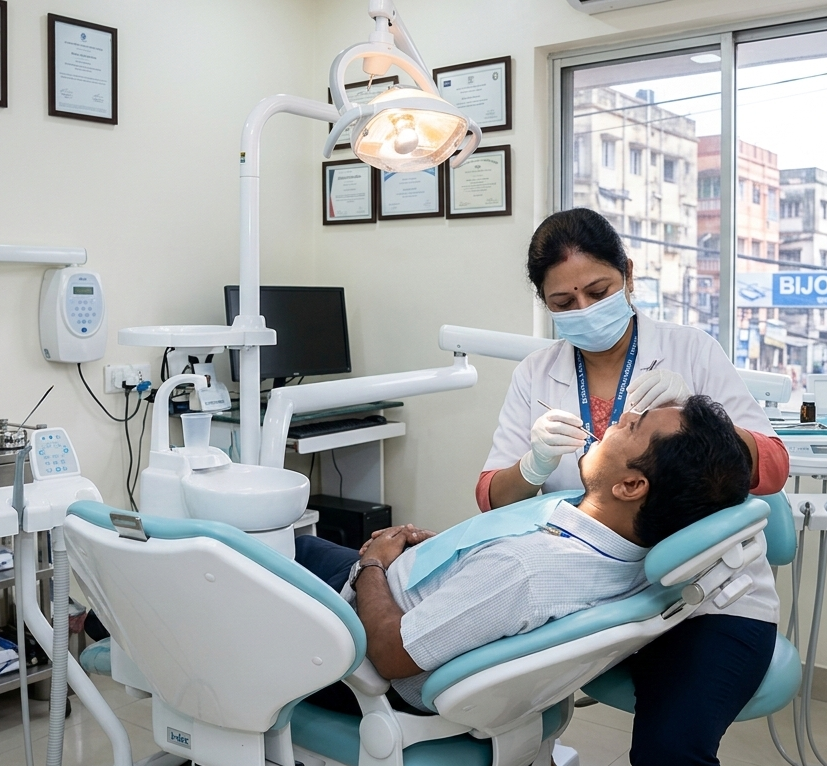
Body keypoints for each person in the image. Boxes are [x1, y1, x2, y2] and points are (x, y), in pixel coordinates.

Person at [476, 208, 790, 765]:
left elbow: (773, 465)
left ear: (627, 273)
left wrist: (703, 421)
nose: (584, 309)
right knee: (489, 701)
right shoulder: (536, 374)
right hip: (587, 593)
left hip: (706, 598)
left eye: (598, 291)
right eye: (563, 302)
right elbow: (490, 498)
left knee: (668, 750)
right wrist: (533, 464)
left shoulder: (691, 350)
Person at [294, 395, 761, 716]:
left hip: (357, 639)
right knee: (289, 544)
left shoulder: (524, 573)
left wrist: (373, 563)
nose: (620, 419)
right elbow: (497, 577)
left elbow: (392, 655)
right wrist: (455, 557)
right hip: (409, 586)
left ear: (631, 485)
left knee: (263, 551)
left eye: (632, 427)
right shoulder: (628, 553)